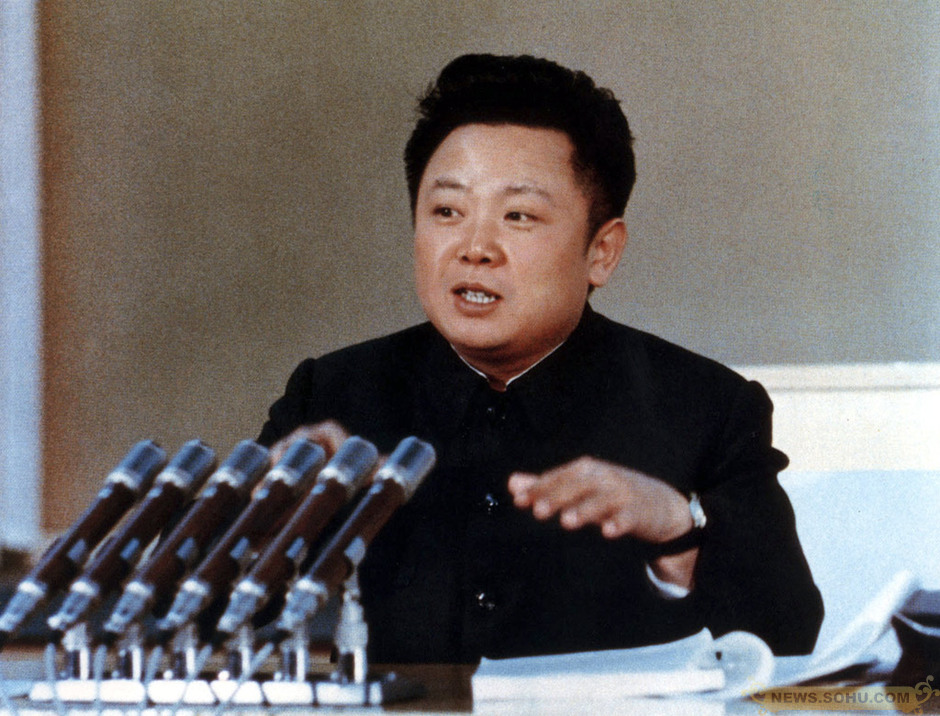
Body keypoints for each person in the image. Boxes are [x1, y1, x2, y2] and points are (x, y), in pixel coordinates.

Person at [258, 54, 823, 663]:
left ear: (602, 252)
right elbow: (214, 632)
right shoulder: (333, 395)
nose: (475, 249)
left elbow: (790, 646)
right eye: (447, 211)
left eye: (518, 216)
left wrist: (676, 530)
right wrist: (268, 519)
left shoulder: (706, 408)